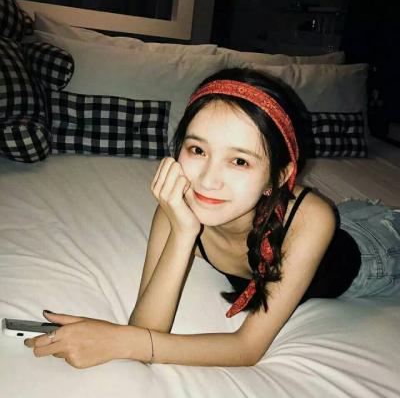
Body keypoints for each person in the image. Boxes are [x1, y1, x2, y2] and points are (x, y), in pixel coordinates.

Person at [24, 68, 400, 368]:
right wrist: (183, 232)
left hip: (377, 255)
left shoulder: (312, 218)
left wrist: (118, 342)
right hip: (341, 220)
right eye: (197, 150)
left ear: (278, 177)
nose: (207, 180)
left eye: (239, 160)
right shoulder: (177, 209)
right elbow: (148, 328)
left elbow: (247, 348)